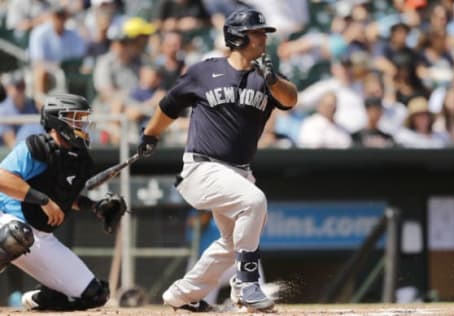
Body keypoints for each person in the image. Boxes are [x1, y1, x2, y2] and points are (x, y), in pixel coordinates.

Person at [137, 9, 297, 312]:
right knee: (254, 202)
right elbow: (169, 105)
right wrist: (150, 135)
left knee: (232, 242)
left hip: (239, 173)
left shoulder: (266, 77)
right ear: (238, 36)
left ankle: (183, 294)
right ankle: (247, 284)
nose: (264, 37)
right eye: (257, 32)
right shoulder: (204, 71)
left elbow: (290, 99)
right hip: (202, 166)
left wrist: (272, 78)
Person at [0, 93, 127, 311]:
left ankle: (41, 298)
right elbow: (3, 178)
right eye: (75, 118)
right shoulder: (36, 147)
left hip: (38, 236)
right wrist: (43, 200)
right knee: (16, 234)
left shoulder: (79, 159)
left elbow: (68, 197)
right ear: (57, 120)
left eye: (83, 119)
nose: (81, 124)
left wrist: (96, 206)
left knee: (95, 295)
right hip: (6, 221)